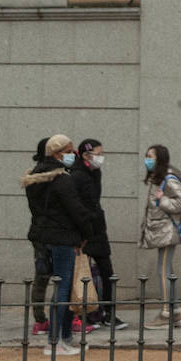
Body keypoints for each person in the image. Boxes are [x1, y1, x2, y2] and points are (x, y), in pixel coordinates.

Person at [20, 133, 94, 356]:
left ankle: (64, 337)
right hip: (64, 238)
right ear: (57, 153)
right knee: (64, 288)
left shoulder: (35, 178)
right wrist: (87, 233)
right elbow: (76, 210)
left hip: (43, 238)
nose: (73, 155)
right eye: (69, 151)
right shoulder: (62, 179)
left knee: (57, 285)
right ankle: (56, 341)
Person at [73, 138, 127, 329]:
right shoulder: (76, 176)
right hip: (83, 231)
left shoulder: (95, 173)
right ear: (86, 155)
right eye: (98, 154)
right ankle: (83, 314)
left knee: (107, 272)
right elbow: (76, 206)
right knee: (82, 274)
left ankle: (108, 312)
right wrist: (82, 231)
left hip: (97, 230)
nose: (101, 158)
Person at [139, 143, 181, 329]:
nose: (147, 159)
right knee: (166, 270)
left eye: (150, 156)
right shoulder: (159, 177)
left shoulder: (168, 179)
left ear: (159, 158)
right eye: (146, 156)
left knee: (163, 271)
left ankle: (166, 313)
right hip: (162, 229)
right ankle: (175, 311)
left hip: (167, 229)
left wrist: (163, 201)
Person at [26, 137, 54, 337]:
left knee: (41, 276)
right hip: (51, 231)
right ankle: (53, 318)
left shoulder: (33, 175)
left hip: (38, 230)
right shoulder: (51, 175)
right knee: (60, 276)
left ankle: (39, 318)